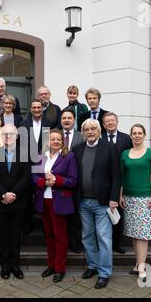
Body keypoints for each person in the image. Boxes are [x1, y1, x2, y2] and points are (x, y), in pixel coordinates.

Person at [72, 118, 120, 289]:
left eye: (93, 129)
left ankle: (104, 272)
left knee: (104, 238)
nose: (90, 132)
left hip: (103, 202)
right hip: (83, 201)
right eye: (87, 129)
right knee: (87, 236)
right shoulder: (77, 149)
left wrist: (114, 198)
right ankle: (92, 266)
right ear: (83, 132)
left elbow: (116, 176)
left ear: (99, 131)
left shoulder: (109, 148)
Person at [32, 129, 78, 283]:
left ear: (63, 142)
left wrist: (57, 180)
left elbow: (73, 180)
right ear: (48, 141)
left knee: (60, 237)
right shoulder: (41, 155)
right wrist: (43, 182)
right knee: (49, 235)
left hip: (60, 201)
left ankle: (60, 268)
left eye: (59, 139)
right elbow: (34, 176)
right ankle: (51, 265)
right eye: (53, 139)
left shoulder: (68, 157)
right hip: (44, 200)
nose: (56, 142)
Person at [0, 124, 31, 280]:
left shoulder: (25, 154)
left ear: (16, 136)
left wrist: (13, 194)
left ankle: (15, 265)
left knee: (15, 236)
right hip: (0, 203)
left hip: (18, 202)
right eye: (5, 134)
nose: (8, 136)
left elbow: (26, 177)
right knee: (2, 236)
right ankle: (5, 266)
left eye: (11, 134)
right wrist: (3, 194)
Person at [120, 124, 151, 283]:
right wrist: (121, 195)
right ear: (130, 136)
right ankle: (137, 264)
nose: (136, 136)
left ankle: (142, 267)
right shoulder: (124, 154)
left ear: (144, 135)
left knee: (143, 235)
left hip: (146, 199)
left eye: (139, 133)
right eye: (134, 133)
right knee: (134, 234)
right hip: (129, 198)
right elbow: (122, 177)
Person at [102, 112, 133, 254]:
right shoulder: (100, 137)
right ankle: (105, 243)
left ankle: (118, 243)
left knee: (118, 214)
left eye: (112, 120)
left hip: (121, 182)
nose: (110, 123)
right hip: (103, 182)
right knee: (104, 215)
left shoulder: (126, 139)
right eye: (107, 121)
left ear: (117, 122)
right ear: (103, 124)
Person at [19, 99, 52, 234]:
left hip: (44, 163)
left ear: (42, 109)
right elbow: (21, 145)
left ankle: (45, 225)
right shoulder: (23, 124)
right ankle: (27, 224)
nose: (37, 110)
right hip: (27, 163)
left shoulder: (49, 124)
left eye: (39, 107)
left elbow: (49, 144)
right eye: (34, 107)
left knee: (43, 193)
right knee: (27, 195)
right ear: (31, 109)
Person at [59, 109, 85, 254]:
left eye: (69, 118)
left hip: (75, 181)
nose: (67, 120)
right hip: (58, 182)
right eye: (64, 118)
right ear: (61, 120)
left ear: (74, 120)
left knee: (75, 214)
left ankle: (74, 242)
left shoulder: (81, 137)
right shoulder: (54, 135)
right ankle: (62, 241)